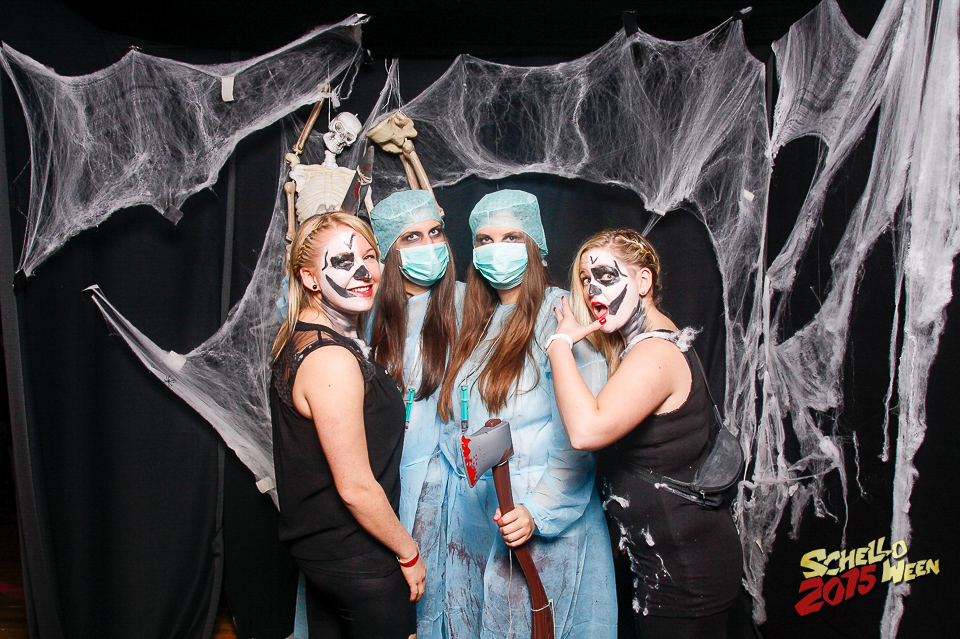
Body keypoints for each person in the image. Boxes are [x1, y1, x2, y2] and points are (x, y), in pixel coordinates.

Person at [435, 190, 617, 639]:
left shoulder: (562, 314)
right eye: (484, 240)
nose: (496, 249)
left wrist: (537, 511)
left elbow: (579, 439)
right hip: (483, 525)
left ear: (534, 244)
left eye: (511, 237)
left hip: (544, 525)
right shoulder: (477, 322)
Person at [545, 228, 742, 639]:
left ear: (643, 281)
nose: (592, 289)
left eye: (605, 276)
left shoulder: (655, 352)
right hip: (669, 568)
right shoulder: (645, 346)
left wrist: (560, 344)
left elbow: (586, 430)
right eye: (585, 279)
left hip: (686, 577)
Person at [269, 211, 424, 639]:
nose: (363, 271)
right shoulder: (330, 359)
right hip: (357, 557)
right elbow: (355, 487)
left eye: (370, 256)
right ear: (310, 279)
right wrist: (408, 553)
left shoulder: (305, 337)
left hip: (327, 553)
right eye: (342, 261)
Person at [368, 190, 465, 638]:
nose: (429, 245)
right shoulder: (364, 310)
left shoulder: (469, 304)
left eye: (435, 232)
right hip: (378, 485)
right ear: (388, 251)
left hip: (446, 486)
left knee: (437, 605)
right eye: (411, 237)